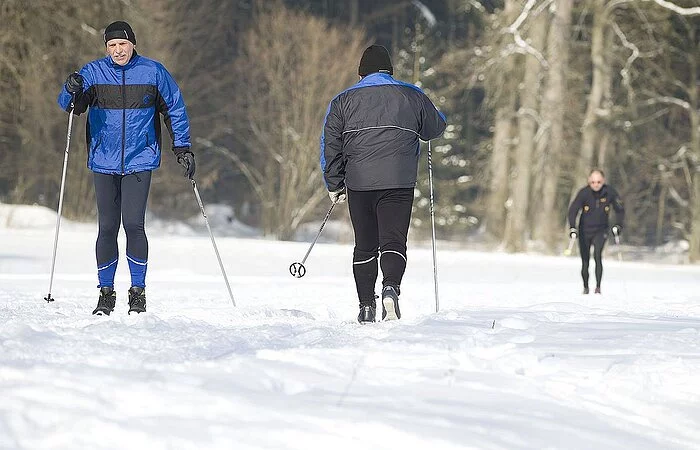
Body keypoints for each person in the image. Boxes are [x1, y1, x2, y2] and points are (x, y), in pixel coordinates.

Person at [57, 21, 194, 315]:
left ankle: (137, 293)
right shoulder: (93, 72)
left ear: (133, 43)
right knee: (107, 227)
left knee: (134, 225)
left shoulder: (153, 72)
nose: (118, 50)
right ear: (106, 48)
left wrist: (182, 147)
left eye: (122, 44)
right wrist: (70, 90)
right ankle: (106, 293)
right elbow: (70, 106)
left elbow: (175, 108)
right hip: (103, 160)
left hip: (139, 158)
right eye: (112, 45)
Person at [320, 44, 446, 323]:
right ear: (390, 70)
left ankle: (366, 305)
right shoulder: (412, 94)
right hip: (398, 181)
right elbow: (435, 128)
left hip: (359, 182)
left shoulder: (342, 101)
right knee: (393, 241)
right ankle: (391, 288)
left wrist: (334, 183)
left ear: (361, 72)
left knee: (365, 245)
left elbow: (331, 145)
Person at [567, 169, 625, 294]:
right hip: (584, 230)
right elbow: (573, 210)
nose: (596, 185)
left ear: (603, 181)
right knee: (585, 260)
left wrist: (618, 225)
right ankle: (586, 287)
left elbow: (620, 209)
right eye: (593, 182)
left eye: (598, 182)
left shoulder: (609, 192)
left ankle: (598, 287)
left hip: (601, 230)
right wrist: (572, 227)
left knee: (597, 256)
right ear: (589, 181)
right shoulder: (584, 193)